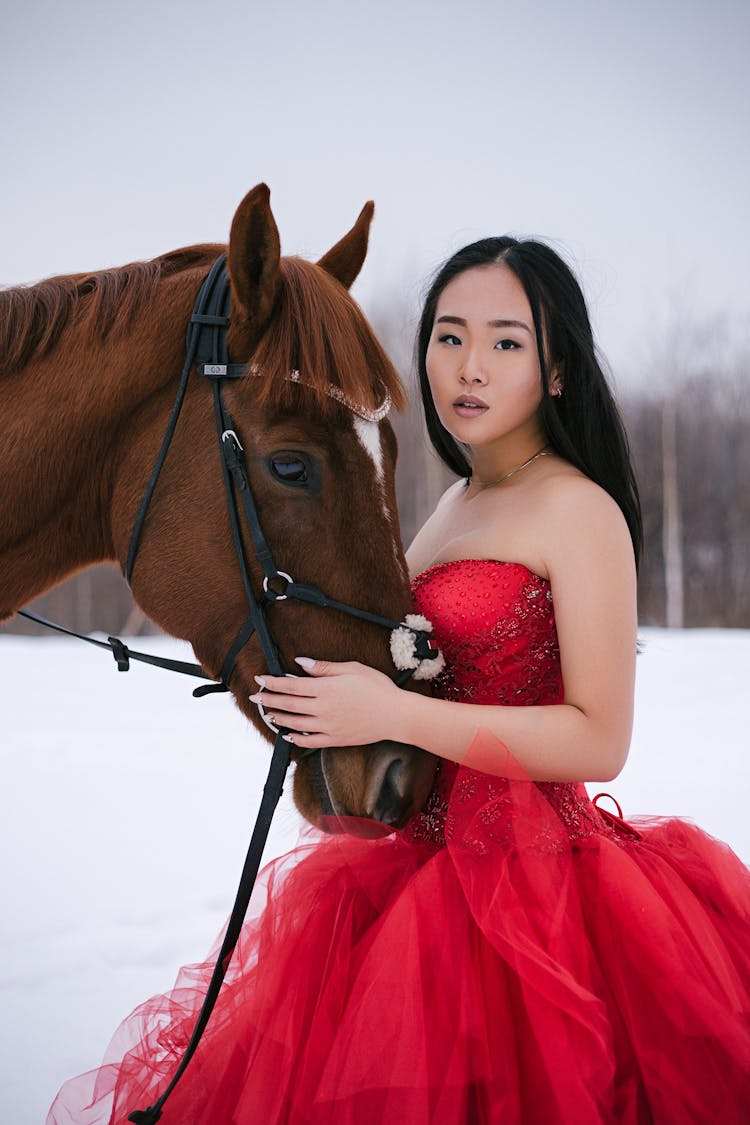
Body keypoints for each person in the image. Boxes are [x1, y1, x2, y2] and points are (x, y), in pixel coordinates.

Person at [49, 238, 749, 1124]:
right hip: (411, 877)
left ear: (558, 369)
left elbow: (599, 740)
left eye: (505, 342)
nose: (469, 366)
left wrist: (395, 712)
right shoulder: (451, 505)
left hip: (534, 909)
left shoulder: (580, 510)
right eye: (448, 336)